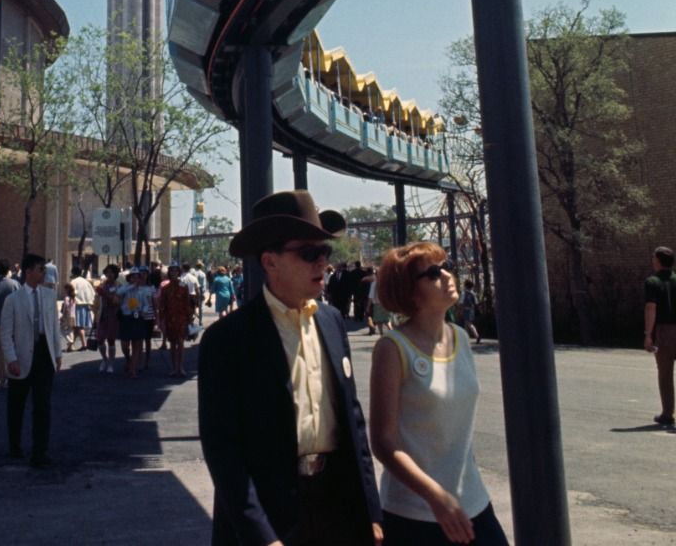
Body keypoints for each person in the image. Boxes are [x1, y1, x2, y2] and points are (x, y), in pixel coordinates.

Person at [198, 190, 384, 545]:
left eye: (324, 252)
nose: (322, 264)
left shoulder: (331, 321)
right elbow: (223, 450)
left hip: (336, 505)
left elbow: (353, 422)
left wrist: (371, 511)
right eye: (309, 253)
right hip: (269, 515)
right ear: (270, 262)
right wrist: (260, 536)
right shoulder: (227, 339)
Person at [369, 243, 509, 545]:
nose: (447, 276)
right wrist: (434, 496)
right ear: (409, 292)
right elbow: (383, 441)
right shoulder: (393, 349)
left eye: (446, 266)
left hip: (472, 501)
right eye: (433, 273)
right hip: (415, 514)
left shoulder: (459, 336)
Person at [0, 253, 62, 466]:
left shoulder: (49, 296)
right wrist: (11, 358)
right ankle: (15, 446)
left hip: (44, 354)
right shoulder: (13, 300)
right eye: (40, 269)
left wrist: (58, 353)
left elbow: (53, 325)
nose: (43, 273)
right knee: (16, 405)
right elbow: (5, 333)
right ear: (28, 272)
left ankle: (40, 451)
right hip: (21, 356)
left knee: (42, 405)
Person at [648, 246, 676, 428]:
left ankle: (668, 413)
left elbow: (650, 308)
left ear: (658, 260)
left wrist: (647, 335)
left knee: (665, 373)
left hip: (664, 331)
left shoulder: (652, 282)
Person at [158, 263, 195, 378]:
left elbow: (188, 303)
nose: (174, 273)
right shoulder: (165, 288)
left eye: (176, 271)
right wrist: (161, 321)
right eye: (172, 271)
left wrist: (190, 318)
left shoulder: (183, 287)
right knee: (172, 344)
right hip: (170, 318)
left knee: (181, 342)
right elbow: (162, 305)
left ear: (179, 273)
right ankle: (174, 368)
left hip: (181, 318)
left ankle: (181, 367)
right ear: (169, 273)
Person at [118, 267, 154, 378]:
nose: (135, 278)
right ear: (130, 278)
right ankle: (128, 359)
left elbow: (146, 304)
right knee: (124, 344)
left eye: (137, 276)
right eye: (133, 277)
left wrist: (143, 311)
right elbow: (119, 292)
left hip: (138, 317)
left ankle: (133, 368)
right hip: (126, 317)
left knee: (137, 343)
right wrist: (132, 286)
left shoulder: (143, 291)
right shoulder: (125, 288)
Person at [95, 263, 123, 374]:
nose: (109, 274)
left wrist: (105, 294)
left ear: (115, 274)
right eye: (107, 272)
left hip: (113, 315)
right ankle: (104, 359)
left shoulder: (119, 286)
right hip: (102, 315)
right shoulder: (102, 285)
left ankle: (111, 362)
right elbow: (96, 302)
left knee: (111, 340)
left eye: (112, 272)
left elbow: (117, 302)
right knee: (100, 340)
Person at [69, 267, 96, 352]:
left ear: (73, 273)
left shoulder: (73, 282)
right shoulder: (86, 282)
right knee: (77, 327)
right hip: (86, 305)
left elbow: (71, 294)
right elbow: (93, 293)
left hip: (77, 305)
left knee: (78, 326)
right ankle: (70, 345)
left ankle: (84, 344)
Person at [458, 278, 481, 346]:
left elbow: (461, 302)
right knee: (466, 324)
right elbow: (476, 303)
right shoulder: (473, 293)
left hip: (466, 309)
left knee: (469, 324)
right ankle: (467, 338)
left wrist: (460, 310)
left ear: (466, 285)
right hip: (472, 310)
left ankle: (477, 335)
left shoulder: (464, 293)